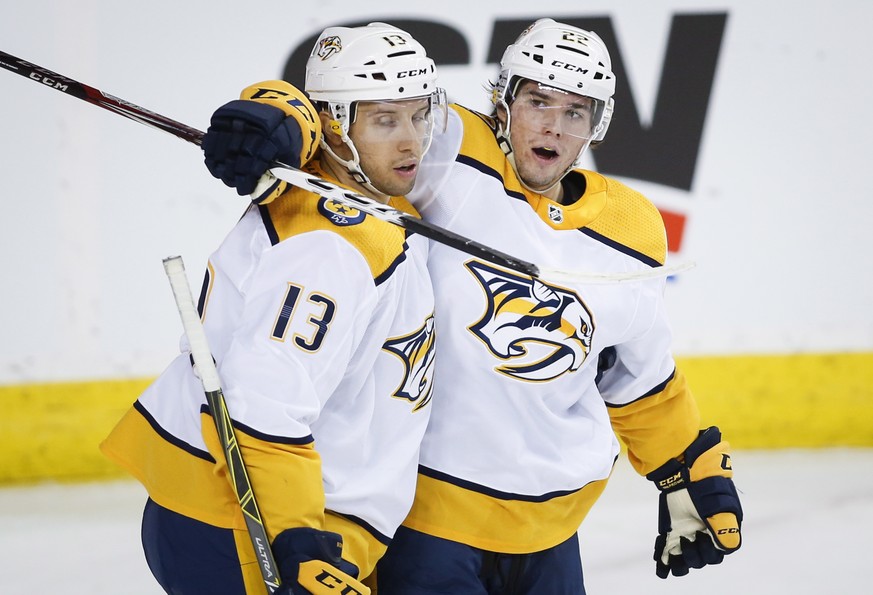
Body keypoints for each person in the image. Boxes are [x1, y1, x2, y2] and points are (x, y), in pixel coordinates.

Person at [201, 18, 743, 594]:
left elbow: (636, 371)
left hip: (554, 533)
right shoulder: (451, 149)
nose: (554, 128)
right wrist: (282, 113)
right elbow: (349, 118)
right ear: (502, 102)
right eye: (538, 101)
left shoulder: (632, 226)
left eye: (575, 113)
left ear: (597, 125)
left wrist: (685, 463)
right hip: (429, 524)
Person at [101, 22, 448, 595]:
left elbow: (291, 117)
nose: (411, 141)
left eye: (418, 115)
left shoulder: (365, 196)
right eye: (385, 120)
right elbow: (264, 404)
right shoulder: (331, 249)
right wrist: (296, 541)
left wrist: (288, 109)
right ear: (335, 125)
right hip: (248, 526)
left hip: (272, 513)